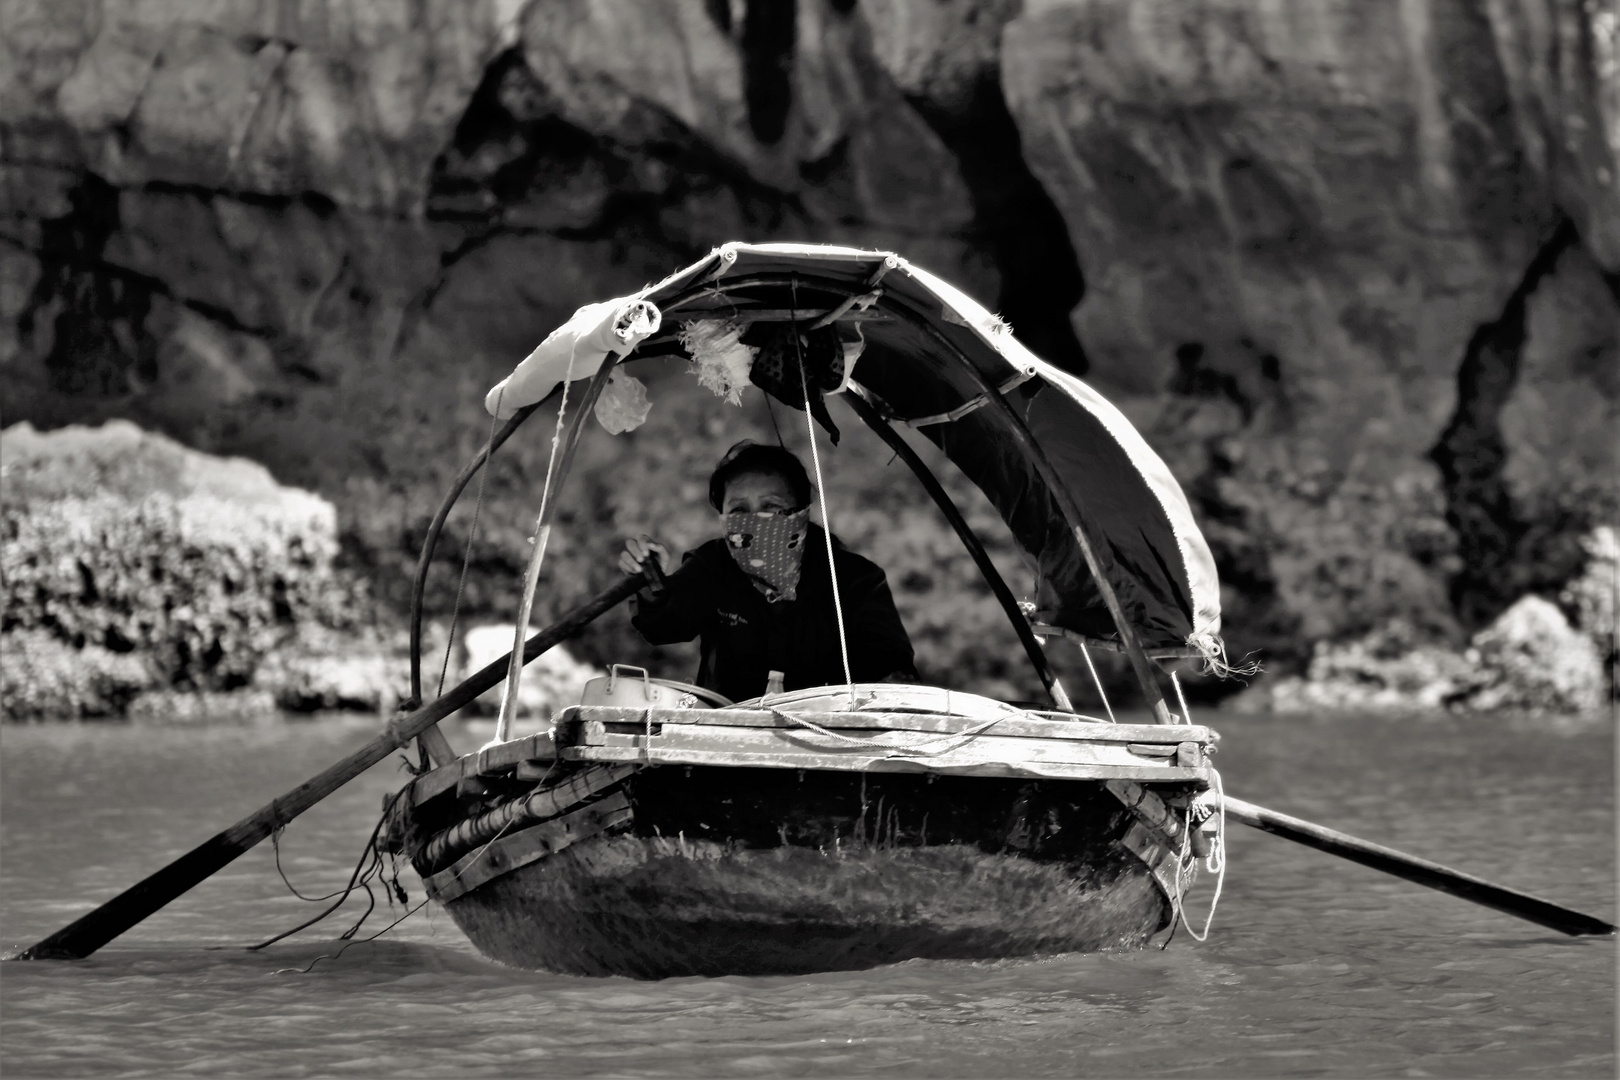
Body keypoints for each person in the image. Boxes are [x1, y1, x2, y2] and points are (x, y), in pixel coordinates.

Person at [619, 441, 916, 702]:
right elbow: (664, 625)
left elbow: (890, 671)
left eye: (771, 507)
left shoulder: (854, 579)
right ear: (723, 517)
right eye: (738, 510)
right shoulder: (714, 564)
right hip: (726, 742)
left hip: (830, 746)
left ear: (801, 512)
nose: (754, 521)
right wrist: (651, 578)